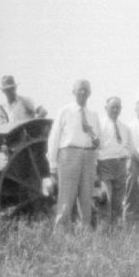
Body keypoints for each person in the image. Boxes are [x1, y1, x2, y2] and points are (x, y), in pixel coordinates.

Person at [47, 79, 101, 229]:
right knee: (66, 195)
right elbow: (54, 137)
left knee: (86, 195)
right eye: (80, 89)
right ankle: (61, 230)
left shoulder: (94, 114)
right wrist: (52, 164)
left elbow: (99, 140)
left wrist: (96, 147)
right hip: (69, 154)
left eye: (86, 90)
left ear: (90, 93)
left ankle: (85, 230)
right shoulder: (65, 111)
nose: (83, 92)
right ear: (74, 92)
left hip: (89, 155)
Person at [97, 97, 130, 226]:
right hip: (105, 164)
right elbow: (95, 147)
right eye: (112, 107)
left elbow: (128, 146)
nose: (115, 110)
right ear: (106, 108)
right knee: (106, 199)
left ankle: (116, 230)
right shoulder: (99, 125)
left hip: (121, 165)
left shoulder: (124, 127)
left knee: (118, 200)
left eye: (118, 107)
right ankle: (104, 231)